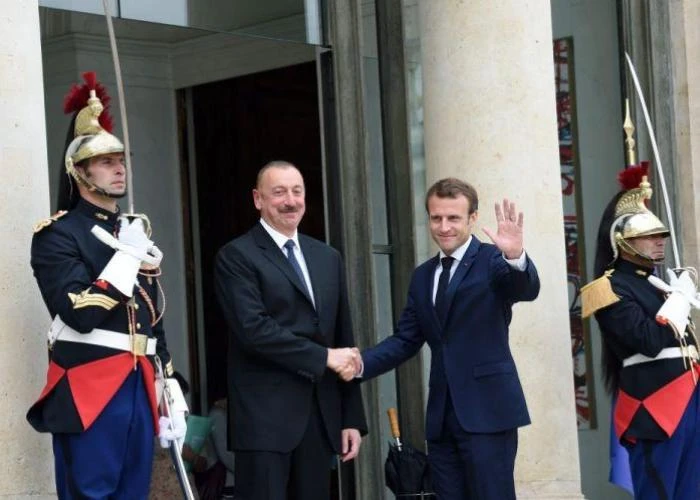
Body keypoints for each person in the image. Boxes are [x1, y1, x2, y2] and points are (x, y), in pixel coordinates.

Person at [26, 72, 185, 499]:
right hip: (89, 385)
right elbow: (81, 312)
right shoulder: (57, 235)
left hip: (139, 382)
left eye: (121, 160)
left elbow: (152, 314)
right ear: (79, 172)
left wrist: (169, 383)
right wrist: (127, 257)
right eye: (106, 162)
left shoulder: (131, 231)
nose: (119, 169)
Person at [356, 177, 540, 500]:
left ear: (472, 218)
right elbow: (405, 340)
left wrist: (516, 257)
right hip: (441, 420)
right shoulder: (423, 276)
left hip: (488, 414)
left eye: (453, 218)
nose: (443, 227)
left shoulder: (492, 261)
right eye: (436, 218)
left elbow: (524, 288)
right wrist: (358, 364)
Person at [214, 160, 368, 500]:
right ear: (258, 199)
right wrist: (324, 357)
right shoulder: (236, 256)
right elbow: (254, 330)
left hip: (320, 417)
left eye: (297, 192)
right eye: (279, 192)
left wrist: (351, 417)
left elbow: (343, 337)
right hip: (264, 422)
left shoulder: (327, 257)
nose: (290, 201)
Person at [582, 170, 700, 499]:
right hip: (654, 407)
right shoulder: (608, 287)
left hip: (689, 400)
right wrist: (679, 300)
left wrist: (676, 295)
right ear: (623, 240)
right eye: (649, 235)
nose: (659, 241)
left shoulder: (658, 285)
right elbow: (648, 342)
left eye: (660, 235)